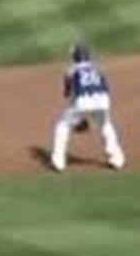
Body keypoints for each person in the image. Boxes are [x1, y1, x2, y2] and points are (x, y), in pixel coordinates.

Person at [48, 40, 127, 173]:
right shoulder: (97, 69)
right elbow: (104, 88)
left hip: (83, 102)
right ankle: (117, 159)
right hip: (103, 101)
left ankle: (58, 162)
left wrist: (79, 118)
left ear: (75, 57)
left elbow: (68, 94)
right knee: (106, 126)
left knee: (62, 127)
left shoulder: (71, 71)